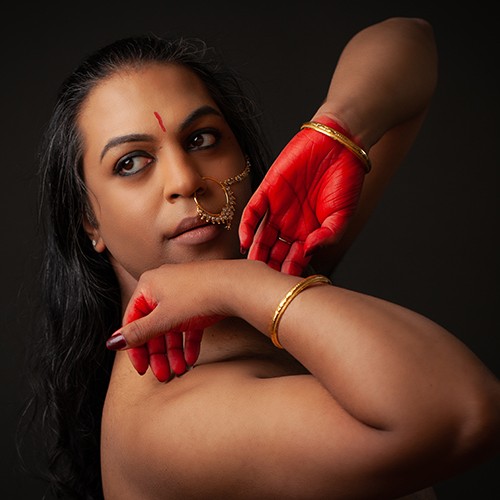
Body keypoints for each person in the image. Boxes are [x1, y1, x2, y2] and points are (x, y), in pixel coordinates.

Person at [20, 16, 499, 500]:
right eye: (131, 163)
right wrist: (232, 284)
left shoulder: (277, 271)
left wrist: (337, 129)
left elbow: (411, 39)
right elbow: (462, 413)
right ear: (90, 222)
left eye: (202, 139)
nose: (185, 180)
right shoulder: (169, 422)